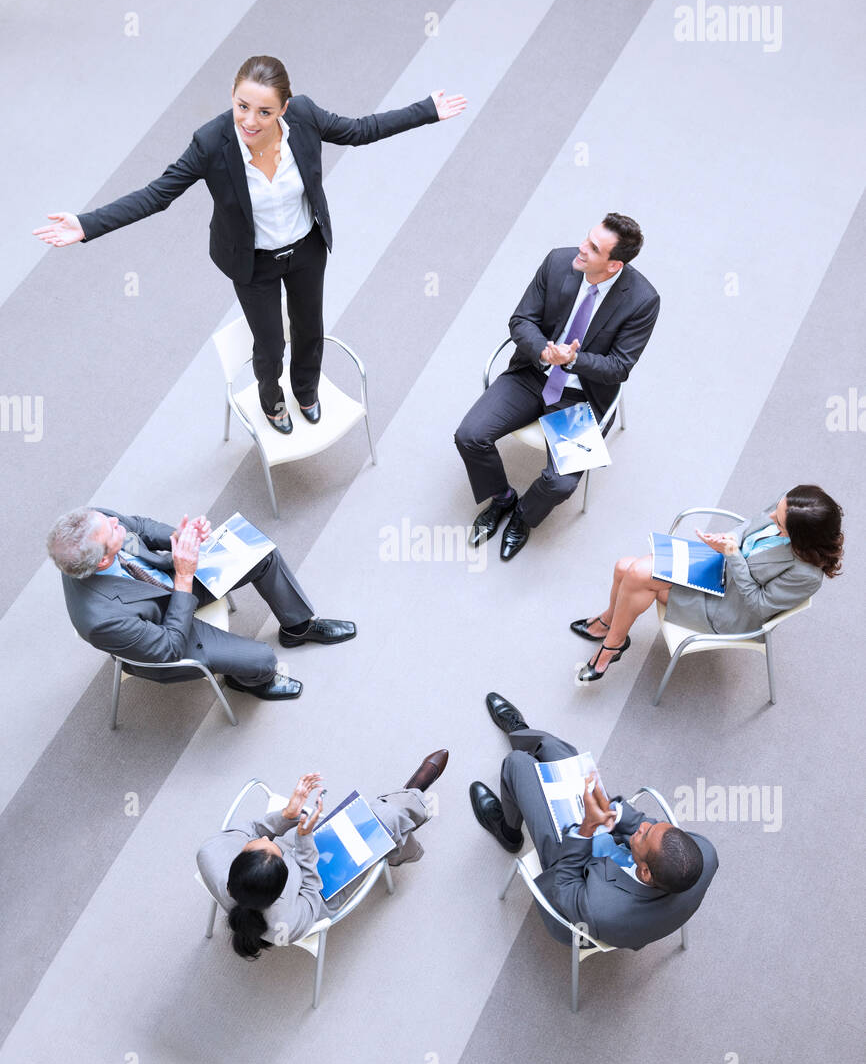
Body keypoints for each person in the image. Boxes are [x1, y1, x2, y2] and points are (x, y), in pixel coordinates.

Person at [34, 55, 466, 434]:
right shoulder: (210, 143)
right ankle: (272, 400)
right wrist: (85, 225)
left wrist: (426, 110)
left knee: (310, 328)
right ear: (233, 99)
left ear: (285, 108)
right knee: (269, 343)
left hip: (305, 249)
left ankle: (306, 392)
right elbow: (157, 194)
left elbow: (360, 130)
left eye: (264, 111)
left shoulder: (306, 117)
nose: (250, 121)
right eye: (242, 106)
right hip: (252, 262)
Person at [454, 214, 659, 560]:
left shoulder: (642, 301)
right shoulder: (558, 261)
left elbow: (620, 367)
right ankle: (503, 499)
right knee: (469, 436)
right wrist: (545, 352)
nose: (581, 248)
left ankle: (523, 516)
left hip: (580, 397)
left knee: (561, 482)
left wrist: (573, 362)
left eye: (593, 248)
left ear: (613, 265)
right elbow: (521, 321)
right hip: (532, 373)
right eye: (587, 238)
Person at [469, 693, 717, 949]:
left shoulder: (604, 910)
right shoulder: (704, 855)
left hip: (573, 874)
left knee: (517, 764)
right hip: (611, 849)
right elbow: (645, 829)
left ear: (645, 872)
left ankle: (508, 833)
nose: (643, 825)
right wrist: (613, 812)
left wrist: (587, 828)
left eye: (644, 835)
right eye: (652, 827)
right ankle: (524, 735)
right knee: (557, 751)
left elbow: (563, 884)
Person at [47, 505, 357, 701]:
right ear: (102, 561)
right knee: (264, 661)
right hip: (164, 627)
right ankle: (245, 680)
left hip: (173, 578)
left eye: (109, 520)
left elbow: (138, 526)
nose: (117, 521)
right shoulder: (100, 620)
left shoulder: (94, 522)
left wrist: (180, 537)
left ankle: (297, 628)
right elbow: (167, 648)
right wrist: (184, 575)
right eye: (111, 528)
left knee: (260, 554)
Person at [571, 485, 844, 682]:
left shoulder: (806, 575)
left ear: (800, 537)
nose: (773, 516)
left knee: (637, 574)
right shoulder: (789, 508)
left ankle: (612, 643)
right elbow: (749, 526)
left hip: (727, 607)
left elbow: (759, 606)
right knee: (625, 568)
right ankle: (610, 623)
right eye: (777, 508)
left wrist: (734, 555)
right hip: (718, 565)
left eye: (780, 522)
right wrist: (728, 539)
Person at [197, 750, 449, 959]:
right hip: (319, 889)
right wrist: (305, 839)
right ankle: (410, 801)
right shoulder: (286, 923)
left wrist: (286, 816)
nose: (264, 839)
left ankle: (402, 817)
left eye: (258, 844)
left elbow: (255, 830)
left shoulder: (211, 854)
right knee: (386, 820)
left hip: (293, 853)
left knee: (374, 822)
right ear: (281, 886)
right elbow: (309, 885)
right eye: (270, 846)